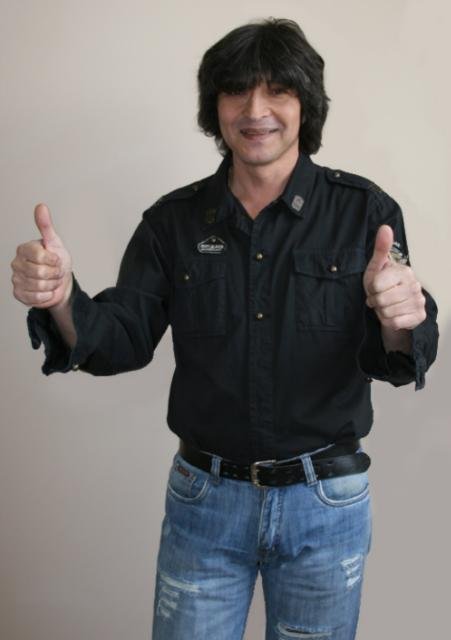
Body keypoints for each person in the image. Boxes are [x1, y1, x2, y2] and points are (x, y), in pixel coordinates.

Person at [11, 17, 438, 640]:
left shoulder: (364, 212)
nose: (255, 110)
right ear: (215, 108)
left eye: (277, 91)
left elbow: (395, 356)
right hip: (205, 504)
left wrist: (402, 317)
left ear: (305, 105)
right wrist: (61, 300)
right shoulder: (172, 222)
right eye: (237, 91)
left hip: (325, 503)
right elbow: (122, 336)